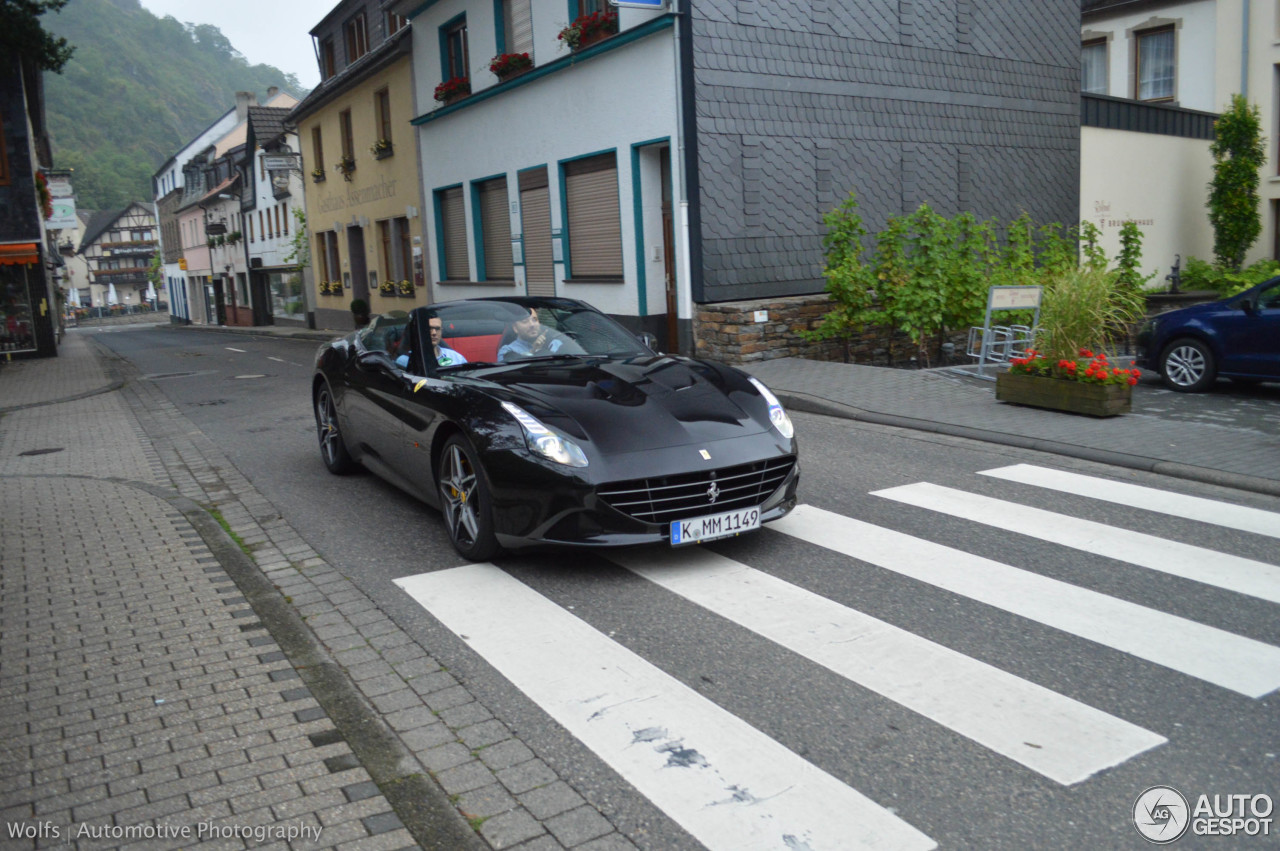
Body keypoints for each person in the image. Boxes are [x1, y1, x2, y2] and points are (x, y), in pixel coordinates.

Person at [497, 307, 567, 362]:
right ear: (515, 328)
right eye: (525, 321)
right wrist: (534, 351)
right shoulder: (507, 351)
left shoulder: (554, 343)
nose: (532, 324)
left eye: (534, 320)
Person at [396, 317, 468, 368]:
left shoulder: (456, 357)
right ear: (419, 331)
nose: (434, 333)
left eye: (437, 329)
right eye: (429, 328)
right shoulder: (405, 361)